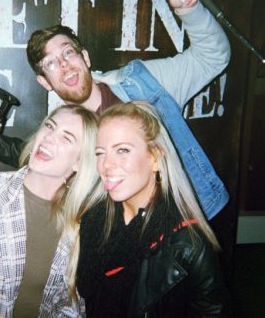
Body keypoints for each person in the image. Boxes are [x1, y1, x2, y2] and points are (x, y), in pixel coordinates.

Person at [0, 0, 231, 221]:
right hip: (131, 242)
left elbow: (213, 58)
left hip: (192, 221)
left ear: (85, 57)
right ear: (45, 82)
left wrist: (189, 11)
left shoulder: (143, 82)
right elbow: (24, 153)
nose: (64, 64)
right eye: (51, 63)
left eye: (68, 52)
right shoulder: (66, 129)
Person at [0, 104, 99, 317]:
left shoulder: (84, 217)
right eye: (50, 126)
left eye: (67, 138)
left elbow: (74, 304)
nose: (49, 138)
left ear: (79, 161)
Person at [76, 101, 229, 317]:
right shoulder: (94, 218)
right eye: (100, 153)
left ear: (155, 158)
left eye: (122, 150)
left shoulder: (188, 244)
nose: (106, 164)